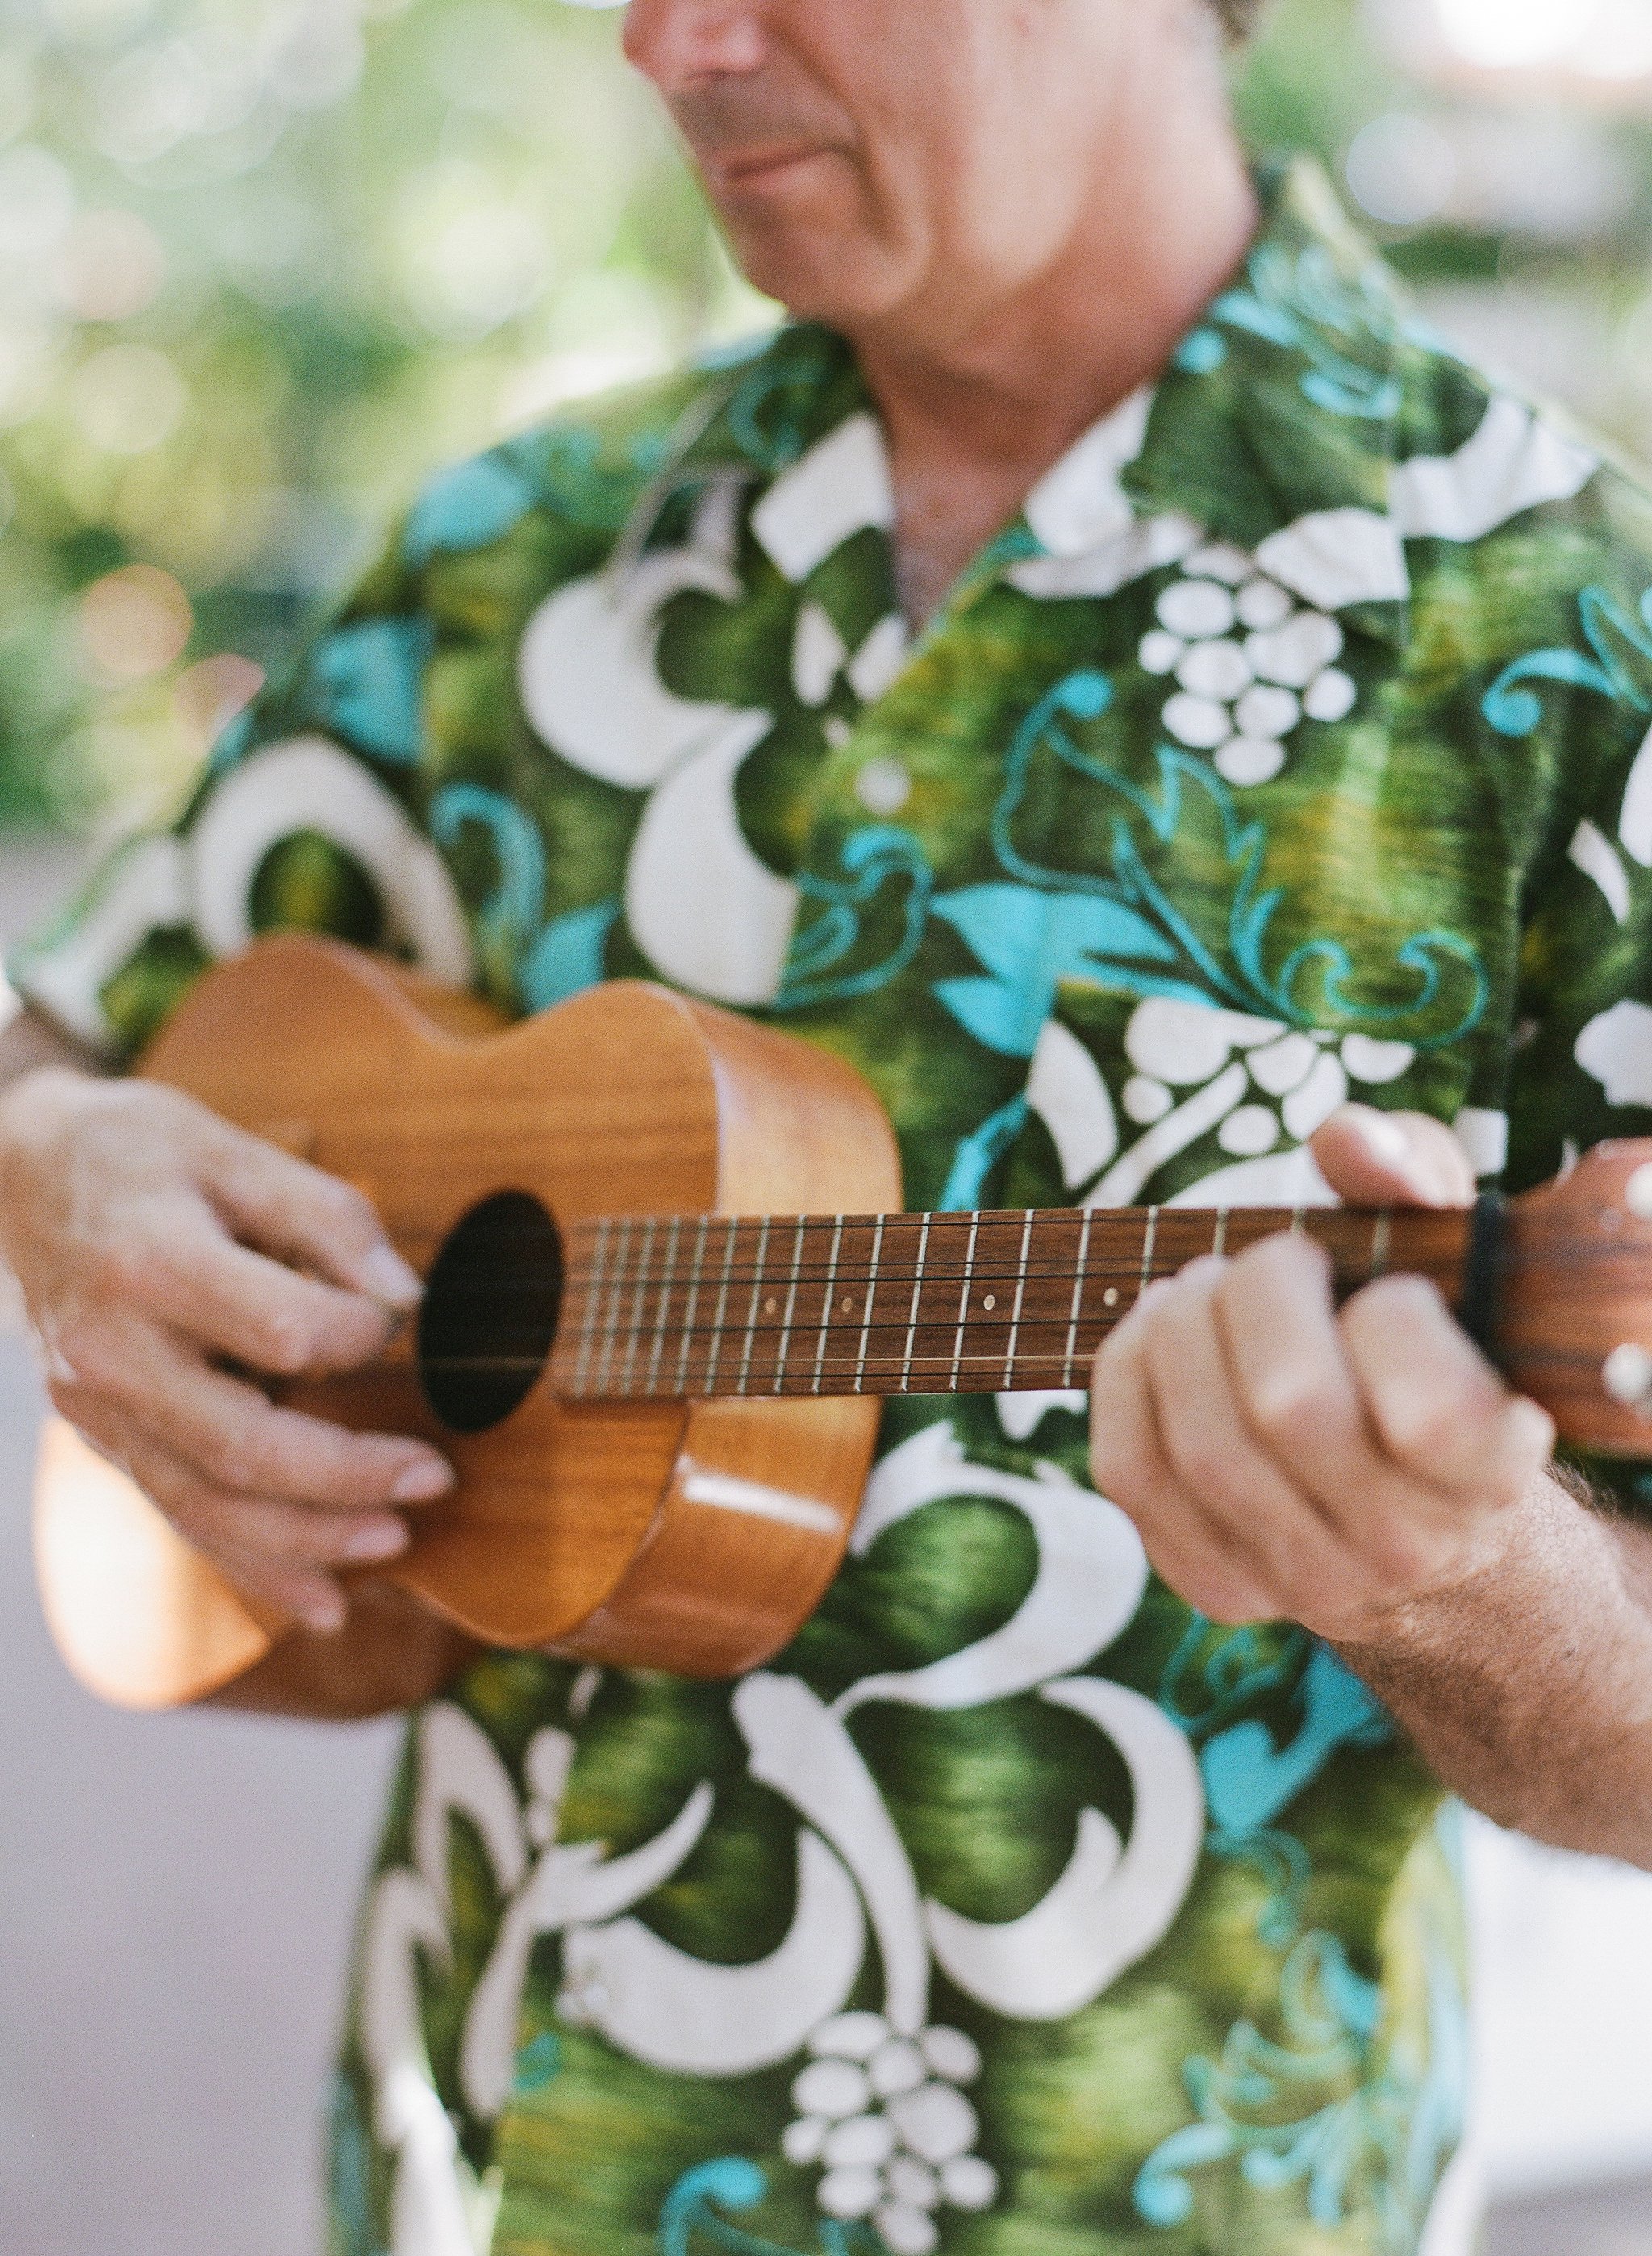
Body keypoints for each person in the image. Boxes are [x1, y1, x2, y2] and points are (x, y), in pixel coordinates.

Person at [7, 0, 1652, 2248]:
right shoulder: (520, 555)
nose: (664, 41)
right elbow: (62, 1035)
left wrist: (1460, 1573)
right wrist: (50, 1167)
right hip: (454, 2161)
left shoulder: (1567, 635)